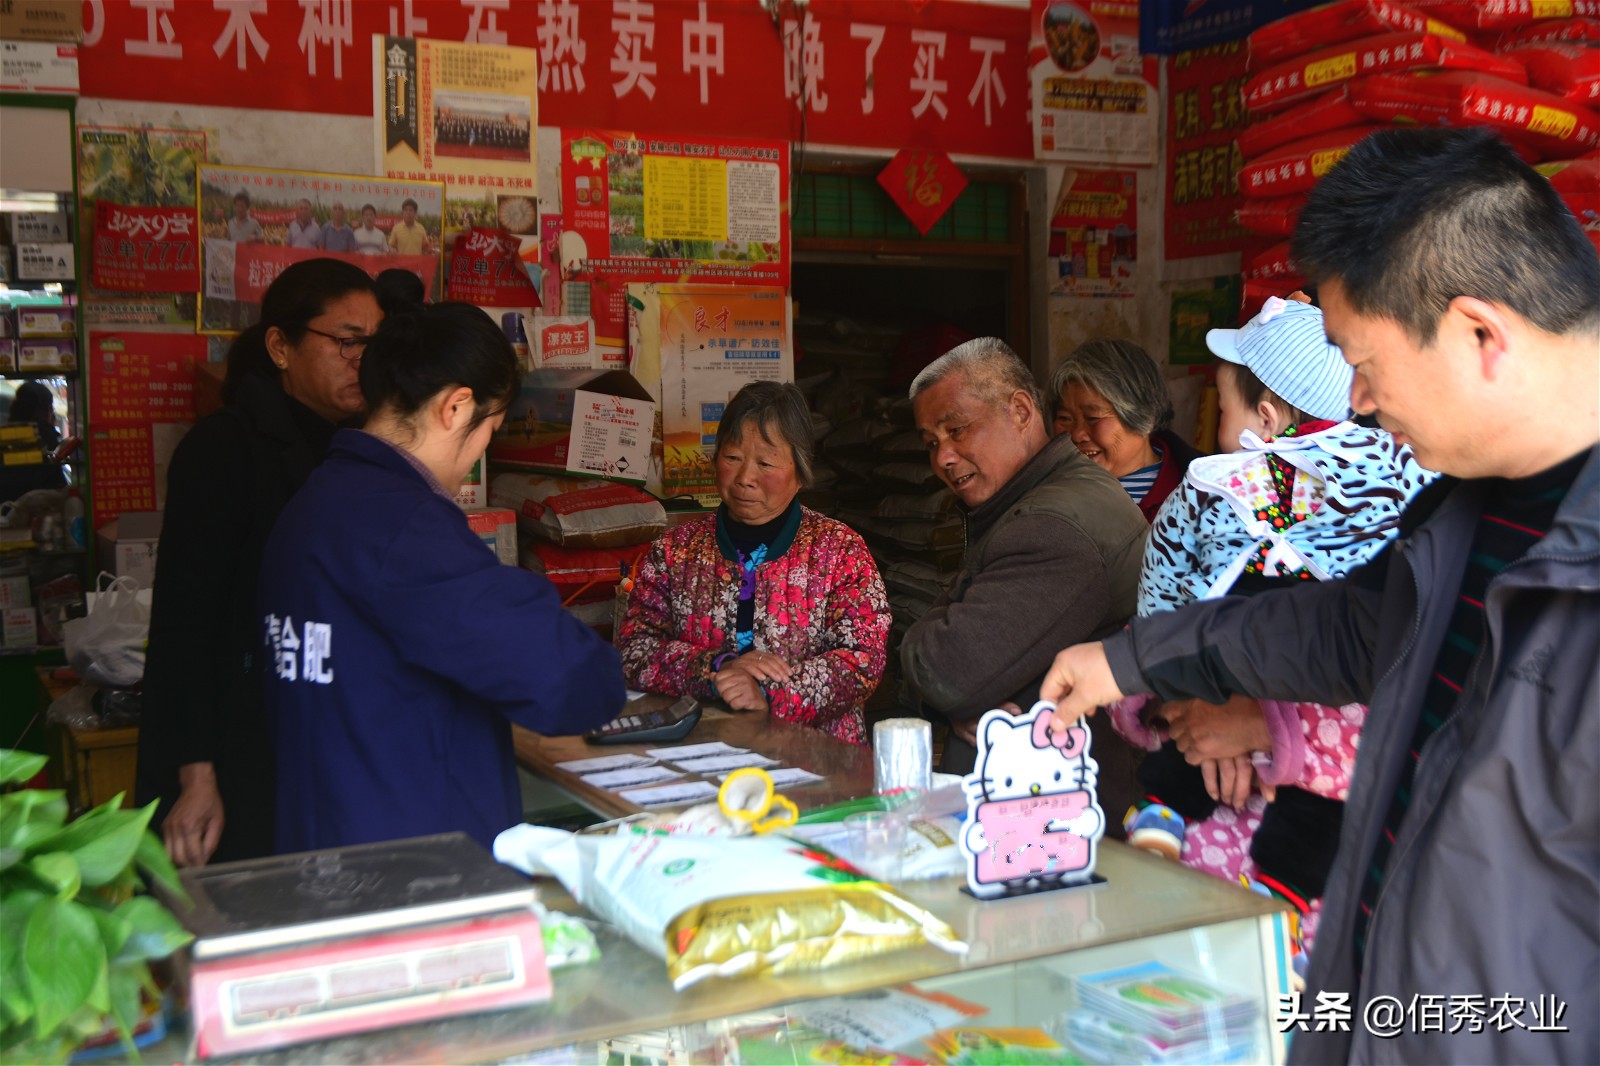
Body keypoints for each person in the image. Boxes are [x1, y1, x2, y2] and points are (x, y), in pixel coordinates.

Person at [1040, 128, 1598, 1064]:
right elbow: (1351, 630)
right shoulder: (1471, 505)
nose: (1359, 404)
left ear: (1479, 334)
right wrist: (1126, 659)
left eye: (1363, 364)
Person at [1109, 295, 1433, 961]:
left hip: (1335, 912)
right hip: (1201, 881)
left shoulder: (1412, 524)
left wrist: (1269, 726)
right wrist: (1187, 706)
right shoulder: (1209, 503)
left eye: (1221, 405)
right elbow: (1158, 631)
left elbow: (1409, 704)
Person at [262, 303, 625, 853]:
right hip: (414, 864)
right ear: (456, 407)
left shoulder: (315, 502)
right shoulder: (403, 523)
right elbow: (563, 677)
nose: (483, 451)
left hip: (327, 835)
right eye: (492, 430)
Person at [136, 259, 381, 866]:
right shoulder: (224, 449)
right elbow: (183, 625)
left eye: (374, 345)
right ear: (280, 346)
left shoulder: (362, 450)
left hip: (318, 738)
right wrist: (196, 776)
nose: (363, 361)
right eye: (347, 342)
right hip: (236, 742)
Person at [899, 337, 1149, 791]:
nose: (943, 457)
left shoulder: (1053, 525)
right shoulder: (1040, 498)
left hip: (1053, 810)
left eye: (957, 431)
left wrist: (925, 642)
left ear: (1019, 410)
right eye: (931, 442)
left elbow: (948, 671)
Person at [617, 382, 890, 745]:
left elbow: (862, 660)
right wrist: (716, 666)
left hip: (815, 761)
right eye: (732, 457)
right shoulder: (674, 551)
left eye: (765, 462)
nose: (746, 478)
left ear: (800, 471)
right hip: (699, 752)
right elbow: (634, 650)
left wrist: (768, 693)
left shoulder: (839, 551)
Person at [1049, 338, 1201, 522]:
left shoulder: (1203, 495)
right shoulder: (1047, 494)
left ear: (1145, 416)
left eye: (1093, 418)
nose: (1076, 434)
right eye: (1065, 418)